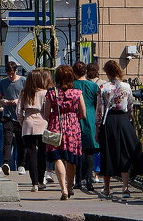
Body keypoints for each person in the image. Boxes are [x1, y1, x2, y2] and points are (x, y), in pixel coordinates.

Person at [96, 60, 143, 198]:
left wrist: (97, 128)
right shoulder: (126, 86)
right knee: (125, 152)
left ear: (107, 72)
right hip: (123, 120)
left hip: (109, 120)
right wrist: (128, 119)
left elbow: (99, 110)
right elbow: (130, 106)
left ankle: (106, 188)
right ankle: (125, 188)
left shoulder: (103, 87)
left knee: (107, 153)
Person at [45, 64, 87, 200]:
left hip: (55, 125)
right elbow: (83, 114)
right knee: (71, 159)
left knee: (57, 157)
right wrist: (73, 118)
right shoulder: (77, 93)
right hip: (73, 126)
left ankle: (63, 188)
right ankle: (69, 187)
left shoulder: (51, 93)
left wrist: (55, 118)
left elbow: (46, 114)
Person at [20, 69, 50, 191]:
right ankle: (41, 180)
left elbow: (18, 111)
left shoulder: (24, 93)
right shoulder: (45, 93)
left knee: (31, 154)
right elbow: (48, 110)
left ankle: (34, 183)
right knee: (42, 153)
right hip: (42, 122)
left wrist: (23, 122)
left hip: (28, 122)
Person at [73, 61, 101, 192]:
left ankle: (77, 180)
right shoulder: (94, 86)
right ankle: (89, 179)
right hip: (90, 116)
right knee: (89, 150)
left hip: (75, 117)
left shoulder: (71, 85)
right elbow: (97, 104)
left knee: (77, 149)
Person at [0, 61, 26, 175]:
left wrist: (18, 101)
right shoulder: (3, 83)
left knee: (21, 141)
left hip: (20, 115)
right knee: (7, 139)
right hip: (7, 115)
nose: (10, 76)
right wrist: (2, 102)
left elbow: (28, 97)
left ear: (16, 71)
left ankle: (21, 165)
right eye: (8, 74)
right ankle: (6, 163)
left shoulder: (23, 81)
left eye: (12, 73)